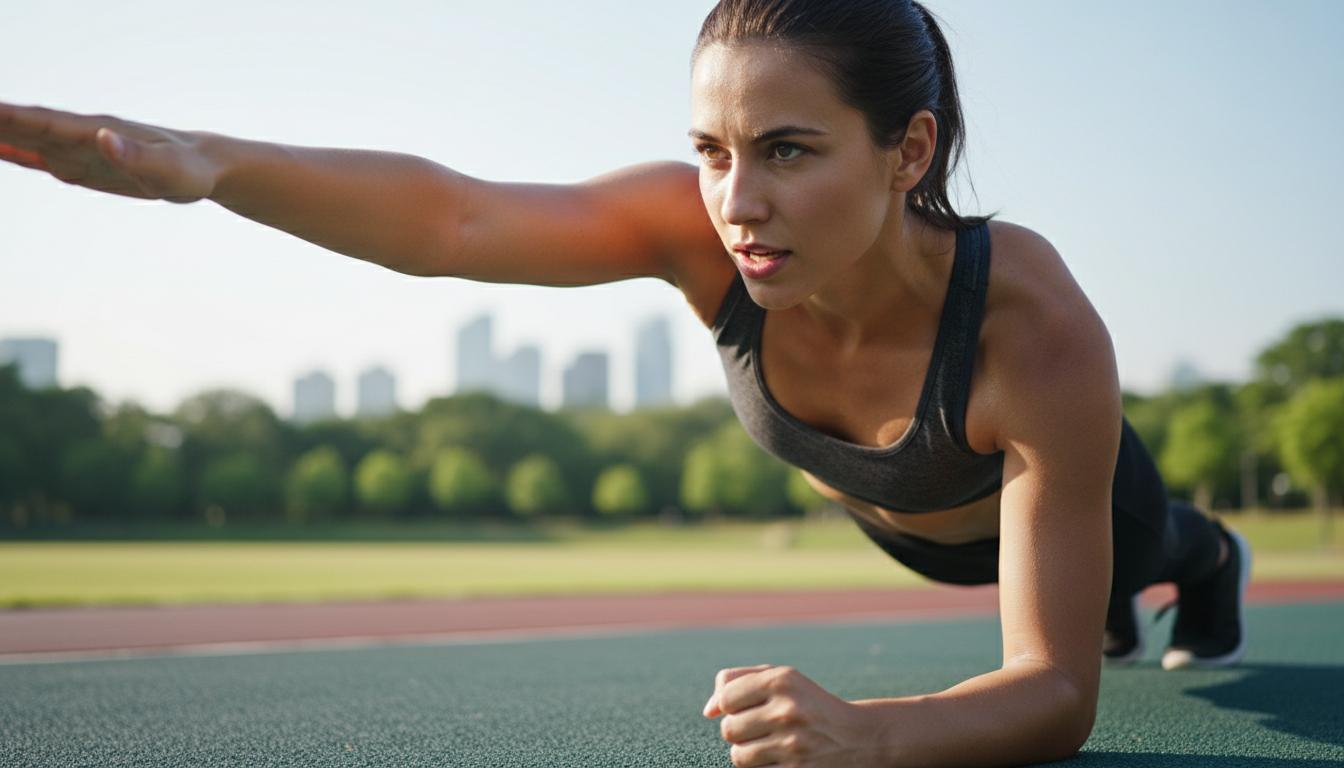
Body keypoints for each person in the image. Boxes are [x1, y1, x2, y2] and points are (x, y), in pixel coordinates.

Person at [0, 0, 1252, 765]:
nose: (738, 203)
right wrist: (213, 163)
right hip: (904, 528)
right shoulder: (700, 232)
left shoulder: (1030, 324)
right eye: (709, 151)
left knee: (1142, 564)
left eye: (789, 150)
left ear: (906, 148)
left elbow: (1052, 698)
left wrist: (870, 733)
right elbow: (454, 220)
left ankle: (1206, 564)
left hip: (1057, 510)